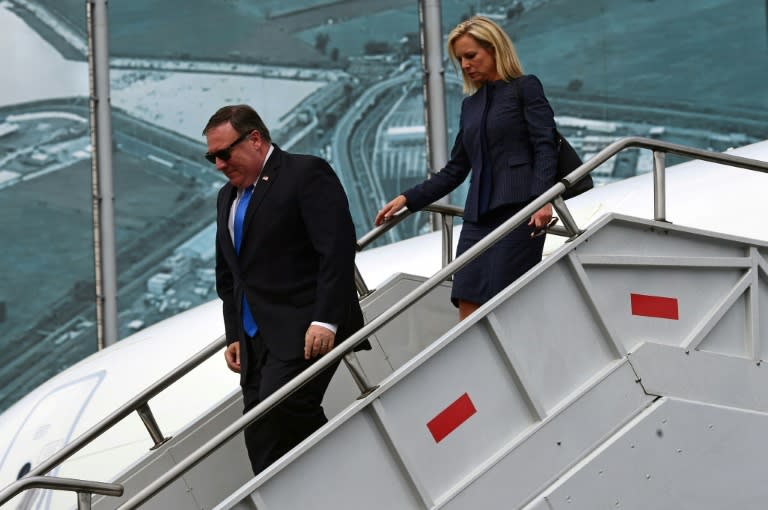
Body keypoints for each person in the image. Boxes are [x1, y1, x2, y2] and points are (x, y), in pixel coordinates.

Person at [205, 104, 365, 476]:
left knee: (284, 409)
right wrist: (234, 335)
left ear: (255, 139)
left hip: (304, 327)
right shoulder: (225, 198)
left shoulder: (304, 173)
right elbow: (230, 276)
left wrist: (325, 319)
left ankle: (352, 479)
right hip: (254, 341)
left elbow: (336, 249)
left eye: (224, 153)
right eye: (211, 157)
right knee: (260, 434)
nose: (218, 165)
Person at [375, 16, 558, 320]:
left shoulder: (525, 88)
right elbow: (456, 169)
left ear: (495, 49)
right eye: (460, 59)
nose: (465, 65)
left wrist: (542, 199)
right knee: (466, 298)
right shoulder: (470, 106)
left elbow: (545, 145)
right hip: (477, 217)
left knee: (503, 304)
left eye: (471, 55)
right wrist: (409, 199)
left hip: (521, 212)